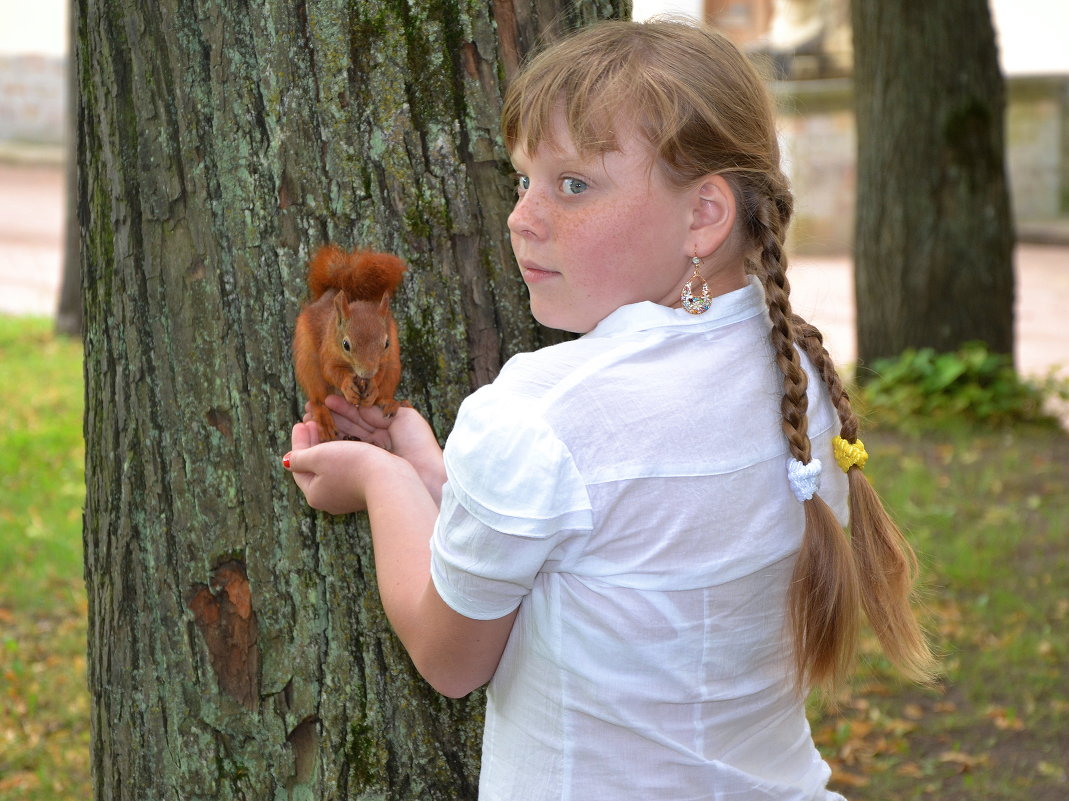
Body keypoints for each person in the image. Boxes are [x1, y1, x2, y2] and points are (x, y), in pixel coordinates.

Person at [283, 18, 933, 800]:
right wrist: (427, 465)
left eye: (573, 184)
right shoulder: (799, 377)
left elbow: (449, 658)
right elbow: (601, 557)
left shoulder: (543, 410)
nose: (522, 216)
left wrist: (376, 483)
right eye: (521, 180)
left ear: (704, 215)